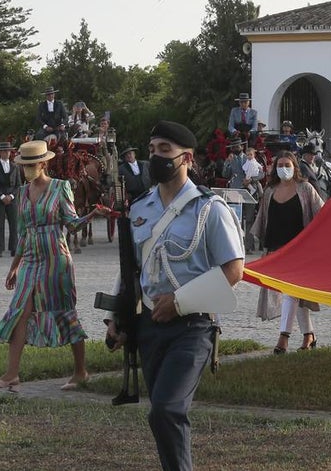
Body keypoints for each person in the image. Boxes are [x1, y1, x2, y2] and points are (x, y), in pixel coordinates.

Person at [105, 120, 245, 471]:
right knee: (161, 415)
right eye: (152, 150)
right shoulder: (139, 208)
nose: (155, 157)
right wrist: (117, 318)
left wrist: (180, 301)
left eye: (164, 150)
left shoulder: (209, 209)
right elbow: (130, 268)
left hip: (192, 325)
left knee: (167, 409)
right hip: (149, 324)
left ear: (187, 158)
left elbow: (234, 270)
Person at [0, 140, 99, 392]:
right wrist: (14, 266)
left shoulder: (61, 188)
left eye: (30, 165)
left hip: (56, 259)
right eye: (23, 165)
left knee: (65, 310)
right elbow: (24, 232)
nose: (26, 169)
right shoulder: (23, 192)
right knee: (20, 312)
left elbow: (72, 225)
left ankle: (81, 371)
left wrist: (91, 215)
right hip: (31, 260)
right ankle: (11, 374)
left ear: (43, 164)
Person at [249, 151, 324, 354]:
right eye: (280, 164)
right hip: (275, 249)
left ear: (294, 166)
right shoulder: (269, 191)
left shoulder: (305, 188)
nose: (284, 168)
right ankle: (309, 334)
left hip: (299, 250)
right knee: (295, 294)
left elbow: (321, 213)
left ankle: (284, 337)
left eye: (287, 164)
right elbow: (263, 219)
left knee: (291, 291)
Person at [0, 140, 21, 258]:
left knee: (14, 223)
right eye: (3, 151)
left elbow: (18, 185)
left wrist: (11, 196)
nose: (6, 153)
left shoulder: (15, 166)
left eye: (8, 151)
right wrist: (2, 196)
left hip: (12, 197)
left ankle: (14, 248)